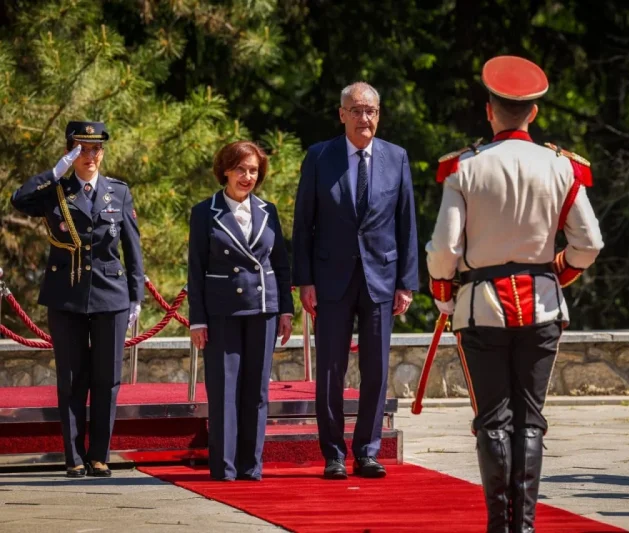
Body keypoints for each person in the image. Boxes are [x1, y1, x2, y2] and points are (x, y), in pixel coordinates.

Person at [425, 56, 604, 532]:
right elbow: (589, 244)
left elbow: (444, 250)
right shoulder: (563, 168)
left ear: (489, 111)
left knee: (492, 420)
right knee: (530, 419)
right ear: (535, 113)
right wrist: (556, 272)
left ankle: (498, 528)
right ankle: (523, 528)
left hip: (481, 309)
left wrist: (443, 291)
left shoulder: (463, 168)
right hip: (544, 304)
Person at [292, 82, 419, 480]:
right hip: (331, 279)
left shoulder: (396, 157)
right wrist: (304, 280)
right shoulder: (319, 157)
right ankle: (332, 452)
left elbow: (406, 222)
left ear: (379, 115)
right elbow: (304, 223)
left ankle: (367, 450)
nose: (366, 118)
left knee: (376, 369)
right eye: (358, 110)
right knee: (330, 369)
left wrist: (407, 282)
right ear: (342, 113)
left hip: (381, 277)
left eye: (372, 111)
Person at [11, 121, 144, 478]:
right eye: (81, 149)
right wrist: (55, 170)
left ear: (103, 151)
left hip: (110, 296)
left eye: (95, 149)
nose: (90, 156)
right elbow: (19, 199)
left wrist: (137, 297)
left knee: (106, 378)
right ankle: (73, 456)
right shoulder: (55, 189)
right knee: (71, 378)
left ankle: (99, 455)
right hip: (66, 296)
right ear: (71, 151)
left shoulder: (118, 191)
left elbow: (132, 248)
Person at [187, 140, 293, 481]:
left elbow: (281, 264)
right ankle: (224, 468)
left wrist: (286, 312)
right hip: (221, 312)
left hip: (262, 310)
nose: (247, 177)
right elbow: (196, 268)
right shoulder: (205, 212)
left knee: (257, 392)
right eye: (241, 170)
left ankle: (251, 466)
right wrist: (197, 319)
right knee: (223, 392)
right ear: (226, 171)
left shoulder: (268, 211)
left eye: (253, 171)